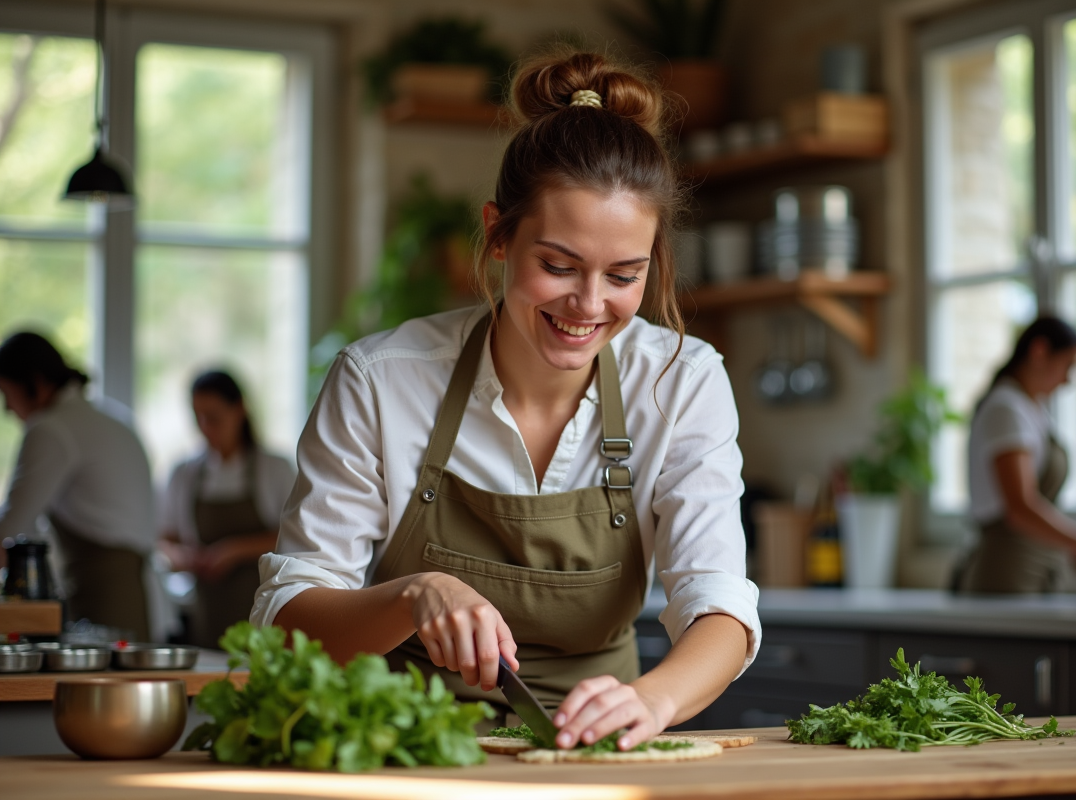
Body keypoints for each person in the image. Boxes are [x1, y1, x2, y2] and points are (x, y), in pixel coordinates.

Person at [251, 50, 760, 751]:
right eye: (558, 266)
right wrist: (412, 595)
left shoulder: (680, 380)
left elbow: (720, 604)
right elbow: (286, 618)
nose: (588, 304)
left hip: (597, 759)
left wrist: (652, 700)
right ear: (497, 233)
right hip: (402, 750)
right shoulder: (381, 380)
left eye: (623, 274)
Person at [953, 316, 1076, 594]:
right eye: (1069, 365)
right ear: (1039, 351)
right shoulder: (1006, 409)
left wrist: (1074, 550)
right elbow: (1020, 508)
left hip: (1031, 570)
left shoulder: (1030, 410)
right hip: (1006, 575)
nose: (1067, 380)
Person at [0, 332, 155, 640]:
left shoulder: (51, 429)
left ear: (36, 382)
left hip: (103, 597)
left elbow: (10, 533)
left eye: (7, 394)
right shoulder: (112, 420)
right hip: (137, 593)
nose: (7, 409)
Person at [159, 371, 295, 650]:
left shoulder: (275, 469)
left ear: (240, 409)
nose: (206, 427)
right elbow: (166, 540)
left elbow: (294, 538)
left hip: (266, 610)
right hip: (206, 612)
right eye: (199, 418)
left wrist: (233, 551)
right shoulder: (184, 473)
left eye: (214, 417)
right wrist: (184, 557)